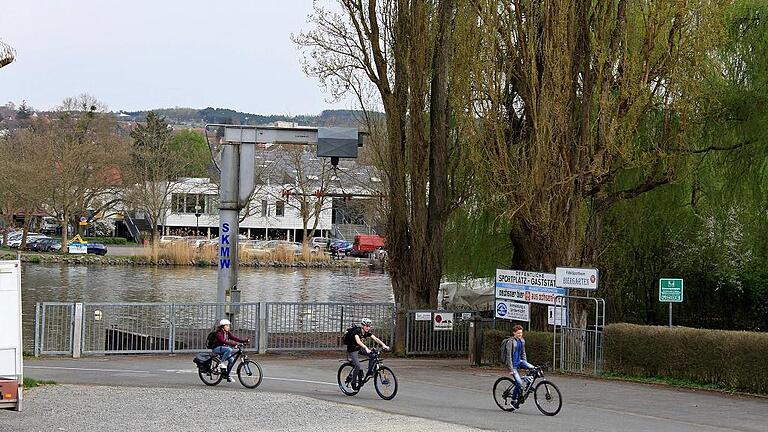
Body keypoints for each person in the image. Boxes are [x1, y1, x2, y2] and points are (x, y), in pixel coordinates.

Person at [345, 318, 390, 388]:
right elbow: (358, 341)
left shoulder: (366, 332)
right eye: (366, 326)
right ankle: (353, 382)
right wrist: (366, 348)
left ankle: (369, 371)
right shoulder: (357, 331)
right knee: (357, 366)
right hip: (352, 350)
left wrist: (383, 345)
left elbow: (375, 339)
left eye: (369, 326)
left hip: (359, 348)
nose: (368, 328)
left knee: (373, 355)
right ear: (362, 325)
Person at [504, 324, 536, 408]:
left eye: (521, 333)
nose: (520, 335)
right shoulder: (510, 342)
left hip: (520, 362)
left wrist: (525, 364)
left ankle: (528, 383)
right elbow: (508, 356)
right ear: (514, 333)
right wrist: (510, 369)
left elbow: (523, 353)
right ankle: (513, 400)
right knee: (519, 384)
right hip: (513, 365)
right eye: (518, 333)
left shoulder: (522, 341)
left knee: (534, 369)